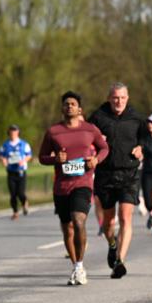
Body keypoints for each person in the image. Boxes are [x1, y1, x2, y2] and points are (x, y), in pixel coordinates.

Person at [38, 91, 109, 285]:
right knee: (67, 229)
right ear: (62, 108)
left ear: (80, 109)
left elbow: (104, 148)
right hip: (61, 186)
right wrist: (54, 159)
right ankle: (76, 266)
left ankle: (79, 265)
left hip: (83, 183)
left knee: (79, 221)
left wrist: (96, 159)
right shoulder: (53, 131)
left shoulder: (89, 129)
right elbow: (42, 157)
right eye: (66, 104)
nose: (70, 106)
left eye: (73, 104)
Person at [87, 82, 146, 279]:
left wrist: (141, 148)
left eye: (122, 97)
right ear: (109, 98)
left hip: (129, 173)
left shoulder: (136, 117)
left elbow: (145, 138)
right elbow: (85, 138)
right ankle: (112, 245)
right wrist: (95, 141)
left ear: (127, 98)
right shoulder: (98, 117)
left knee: (125, 217)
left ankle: (120, 261)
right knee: (109, 222)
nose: (118, 101)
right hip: (105, 174)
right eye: (115, 98)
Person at [0, 125, 33, 219]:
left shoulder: (24, 144)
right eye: (11, 132)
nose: (13, 133)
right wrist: (4, 160)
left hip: (21, 171)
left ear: (18, 132)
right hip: (11, 171)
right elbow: (1, 155)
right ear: (9, 133)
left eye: (15, 131)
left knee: (21, 193)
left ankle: (24, 203)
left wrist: (24, 161)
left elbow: (29, 155)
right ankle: (15, 212)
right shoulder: (5, 145)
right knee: (13, 194)